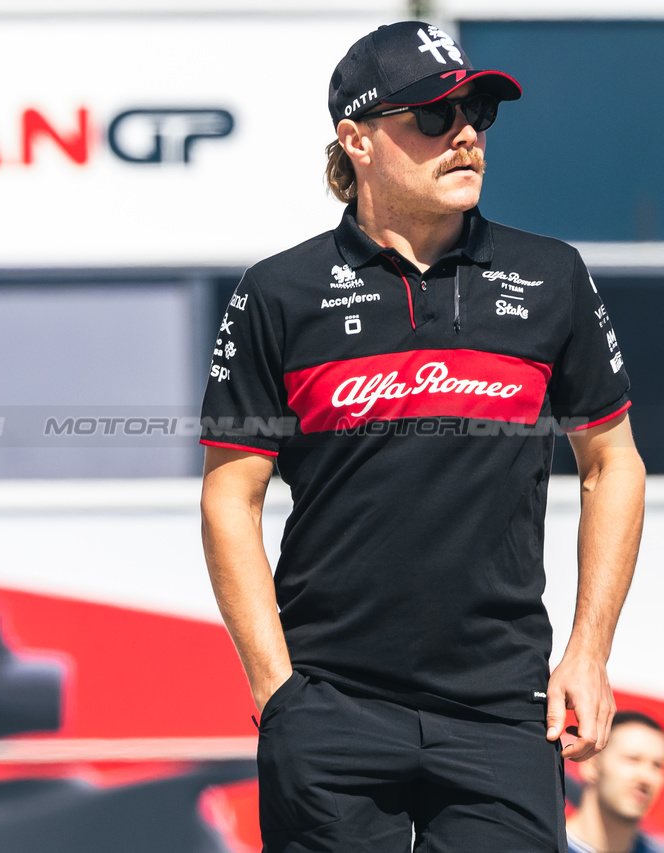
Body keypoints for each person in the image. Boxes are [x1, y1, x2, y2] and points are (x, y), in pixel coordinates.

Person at [199, 20, 647, 852]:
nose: (467, 133)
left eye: (477, 111)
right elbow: (232, 491)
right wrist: (276, 686)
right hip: (328, 701)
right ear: (356, 139)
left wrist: (589, 651)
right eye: (434, 117)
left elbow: (611, 463)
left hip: (504, 708)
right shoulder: (278, 292)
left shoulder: (552, 276)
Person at [567, 711, 664, 853]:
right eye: (632, 759)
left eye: (657, 765)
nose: (646, 777)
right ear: (591, 765)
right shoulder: (538, 846)